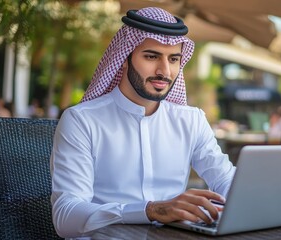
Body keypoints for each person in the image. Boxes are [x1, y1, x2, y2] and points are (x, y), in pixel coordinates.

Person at [50, 7, 236, 237]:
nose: (165, 71)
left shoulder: (191, 120)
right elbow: (66, 217)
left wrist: (248, 199)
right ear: (124, 57)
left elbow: (227, 180)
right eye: (151, 56)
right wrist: (148, 211)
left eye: (174, 59)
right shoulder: (82, 121)